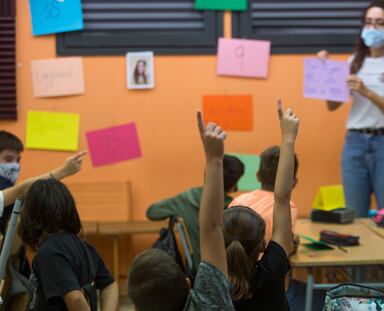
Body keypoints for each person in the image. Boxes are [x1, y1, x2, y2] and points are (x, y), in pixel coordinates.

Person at [127, 112, 234, 311]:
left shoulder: (183, 198)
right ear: (188, 283)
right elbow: (212, 228)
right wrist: (214, 159)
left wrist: (213, 161)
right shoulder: (211, 303)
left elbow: (153, 212)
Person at [318, 0, 384, 216]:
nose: (372, 28)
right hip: (355, 143)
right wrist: (327, 72)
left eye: (379, 23)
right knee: (355, 216)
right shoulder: (355, 61)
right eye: (368, 22)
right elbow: (332, 105)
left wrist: (366, 91)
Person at [224, 100, 299, 311]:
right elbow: (282, 198)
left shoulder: (212, 281)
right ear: (264, 245)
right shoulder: (273, 270)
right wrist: (288, 137)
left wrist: (213, 159)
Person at [18, 179, 118, 311]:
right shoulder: (85, 247)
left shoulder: (49, 252)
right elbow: (110, 285)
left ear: (31, 214)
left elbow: (75, 298)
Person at [146, 154, 245, 270]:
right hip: (224, 268)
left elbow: (152, 212)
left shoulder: (186, 198)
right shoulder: (234, 206)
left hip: (194, 268)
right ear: (233, 184)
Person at [229, 146, 298, 244]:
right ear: (294, 182)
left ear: (258, 176)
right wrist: (295, 242)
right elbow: (284, 246)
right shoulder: (289, 208)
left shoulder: (238, 200)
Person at [0, 130, 24, 233]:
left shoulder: (9, 185)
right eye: (9, 159)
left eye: (18, 160)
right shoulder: (4, 186)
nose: (15, 165)